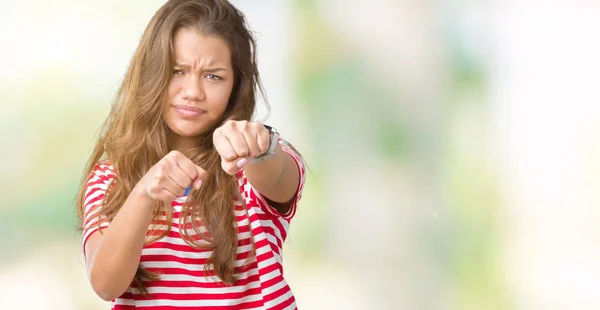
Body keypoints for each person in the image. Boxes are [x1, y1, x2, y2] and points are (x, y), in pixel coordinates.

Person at [75, 0, 306, 309]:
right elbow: (105, 285)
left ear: (236, 85)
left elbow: (276, 175)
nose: (192, 91)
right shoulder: (111, 177)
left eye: (213, 76)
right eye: (177, 71)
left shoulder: (257, 159)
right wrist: (145, 193)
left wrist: (259, 149)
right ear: (151, 74)